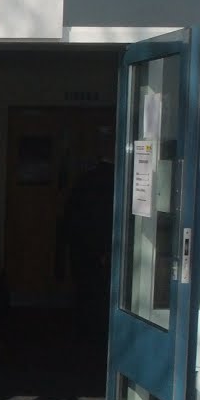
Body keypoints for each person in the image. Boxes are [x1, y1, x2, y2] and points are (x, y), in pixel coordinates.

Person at [62, 130, 115, 339]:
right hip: (100, 245)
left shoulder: (84, 181)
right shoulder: (115, 182)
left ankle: (83, 329)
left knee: (84, 289)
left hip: (81, 244)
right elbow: (105, 217)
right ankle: (98, 330)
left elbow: (71, 213)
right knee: (100, 291)